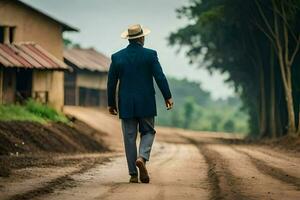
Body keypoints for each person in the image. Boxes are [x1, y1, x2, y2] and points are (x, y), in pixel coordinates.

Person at [107, 24, 173, 183]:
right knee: (148, 132)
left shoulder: (117, 57)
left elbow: (111, 83)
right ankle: (142, 158)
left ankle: (133, 174)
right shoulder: (150, 55)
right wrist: (167, 96)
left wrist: (111, 103)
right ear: (142, 38)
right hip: (146, 102)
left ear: (129, 38)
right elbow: (160, 77)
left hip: (126, 103)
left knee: (129, 138)